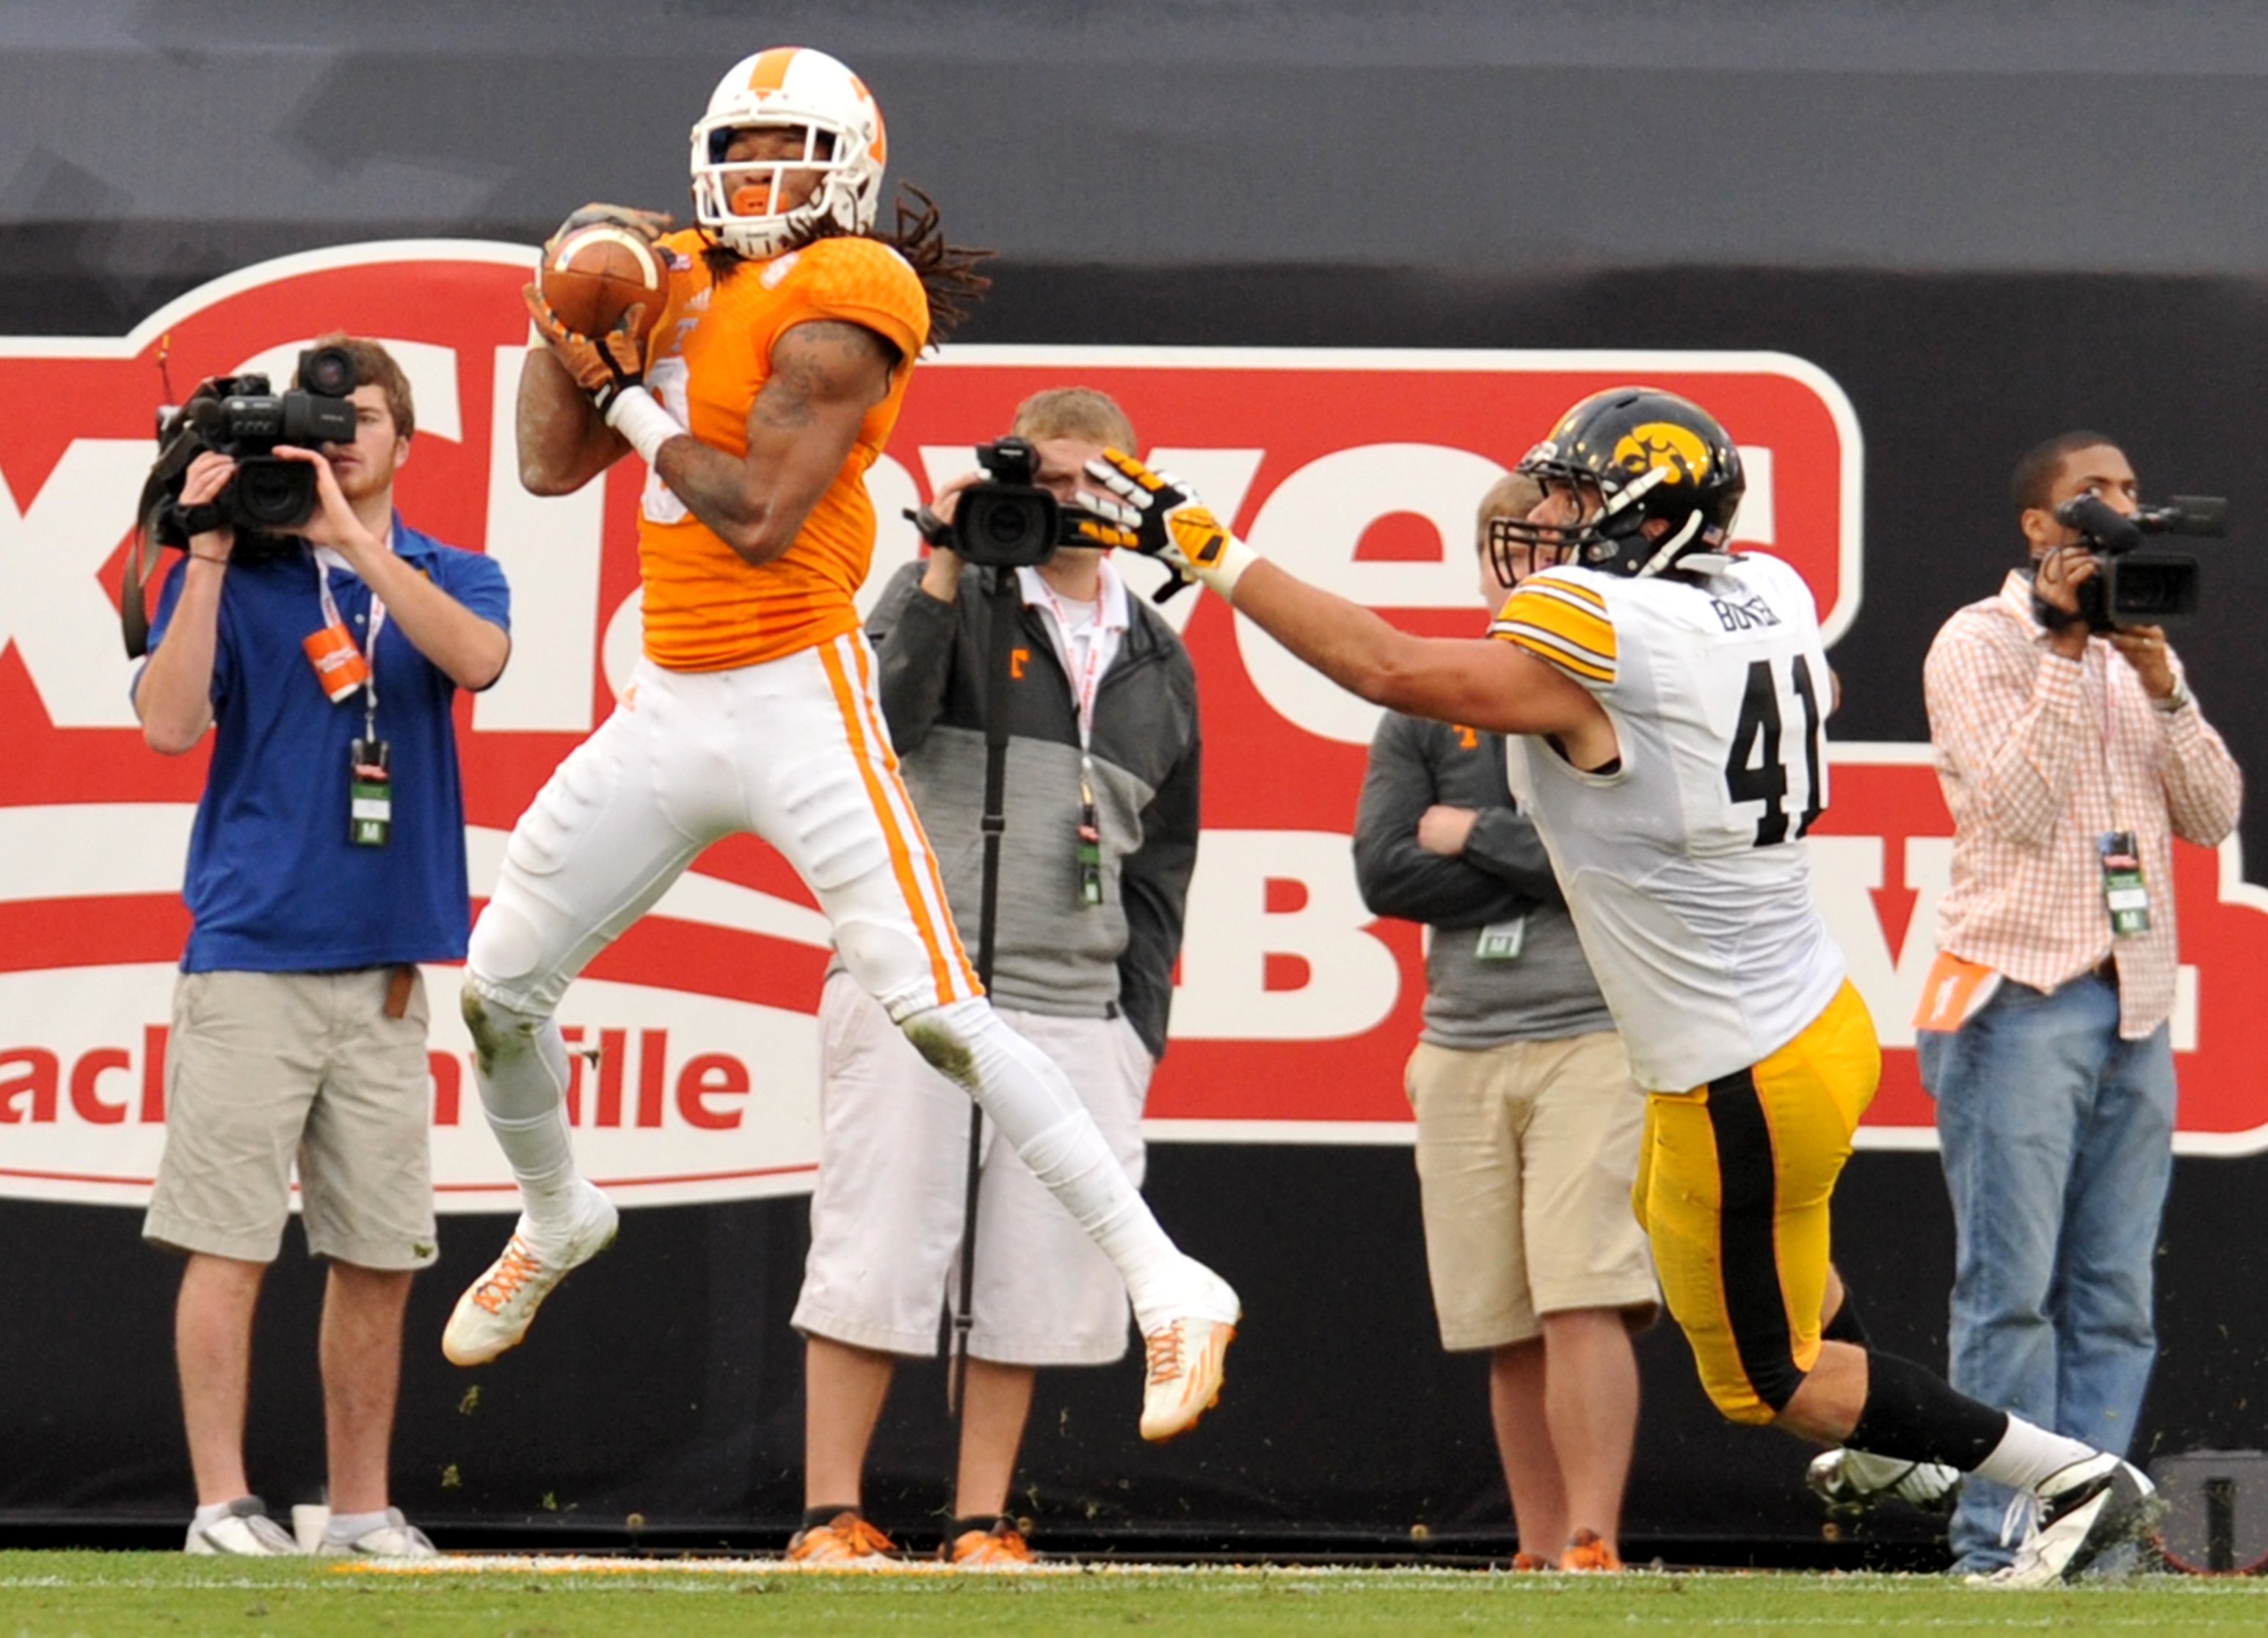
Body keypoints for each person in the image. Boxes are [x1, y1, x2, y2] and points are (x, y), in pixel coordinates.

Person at [1080, 386, 2166, 1587]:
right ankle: (1892, 1456)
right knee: (1710, 1235)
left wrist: (1212, 550)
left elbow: (1385, 666)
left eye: (1574, 493)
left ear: (1645, 514)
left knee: (1770, 1385)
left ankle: (2066, 1476)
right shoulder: (1765, 591)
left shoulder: (1610, 629)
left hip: (1733, 1066)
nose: (1548, 512)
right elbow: (1810, 691)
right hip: (1802, 1019)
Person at [443, 47, 1237, 1479]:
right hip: (672, 699)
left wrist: (629, 389)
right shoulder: (677, 266)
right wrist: (568, 318)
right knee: (497, 989)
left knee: (939, 1010)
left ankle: (1171, 1280)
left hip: (801, 691)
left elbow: (751, 514)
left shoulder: (857, 291)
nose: (756, 182)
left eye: (786, 154)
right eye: (739, 153)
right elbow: (549, 469)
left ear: (848, 170)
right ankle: (558, 1211)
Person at [792, 386, 1201, 1567]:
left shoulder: (1158, 650)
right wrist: (936, 553)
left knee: (1035, 1269)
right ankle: (831, 1513)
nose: (1065, 504)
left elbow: (1164, 858)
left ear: (1133, 486)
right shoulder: (953, 590)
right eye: (1048, 480)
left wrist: (1138, 1023)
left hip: (1078, 1003)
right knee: (875, 1244)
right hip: (919, 986)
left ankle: (983, 1517)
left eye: (1092, 482)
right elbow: (875, 720)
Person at [134, 336, 510, 1558]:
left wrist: (356, 544)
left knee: (379, 1255)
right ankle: (221, 1505)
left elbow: (480, 660)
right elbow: (167, 727)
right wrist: (199, 554)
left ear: (406, 436)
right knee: (229, 1241)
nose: (341, 433)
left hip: (391, 962)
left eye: (363, 415)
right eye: (319, 419)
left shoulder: (453, 571)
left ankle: (356, 1510)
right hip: (250, 955)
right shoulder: (232, 577)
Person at [1913, 432, 2241, 1576]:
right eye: (2090, 496)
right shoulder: (1977, 639)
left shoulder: (2134, 653)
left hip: (2133, 1005)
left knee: (2113, 1300)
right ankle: (1994, 1538)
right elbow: (2011, 804)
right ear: (2038, 529)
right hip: (2016, 1000)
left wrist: (2162, 685)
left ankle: (2091, 1551)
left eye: (2131, 492)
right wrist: (2060, 647)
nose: (2118, 510)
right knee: (2010, 1299)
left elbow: (2210, 812)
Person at [1351, 471, 1655, 1574]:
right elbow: (1383, 870)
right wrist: (1524, 853)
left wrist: (1467, 834)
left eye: (1554, 546)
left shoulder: (1632, 687)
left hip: (1598, 1034)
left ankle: (1592, 1541)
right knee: (1502, 1316)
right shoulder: (1427, 696)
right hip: (1459, 1041)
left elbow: (1617, 868)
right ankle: (1535, 1553)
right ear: (1482, 563)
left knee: (1584, 1297)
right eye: (1506, 549)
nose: (1524, 566)